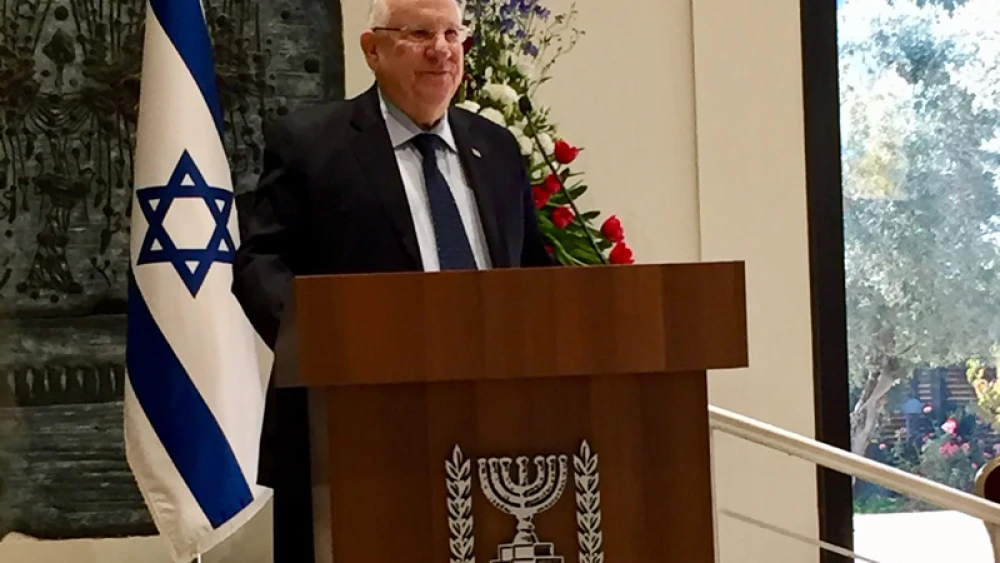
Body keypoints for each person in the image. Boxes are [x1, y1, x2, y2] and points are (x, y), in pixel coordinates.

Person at [231, 0, 553, 558]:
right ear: (372, 50)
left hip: (493, 430)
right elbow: (262, 264)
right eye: (419, 33)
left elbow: (535, 275)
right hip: (352, 433)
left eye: (453, 33)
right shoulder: (312, 144)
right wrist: (326, 342)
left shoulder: (496, 149)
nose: (442, 49)